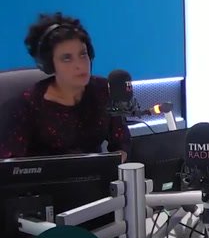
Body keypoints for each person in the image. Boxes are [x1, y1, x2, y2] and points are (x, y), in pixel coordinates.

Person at [0, 12, 130, 160]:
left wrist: (117, 161)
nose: (79, 65)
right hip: (46, 175)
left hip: (96, 174)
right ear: (50, 64)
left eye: (83, 54)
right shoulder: (27, 105)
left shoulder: (103, 91)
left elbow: (121, 142)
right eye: (67, 58)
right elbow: (11, 165)